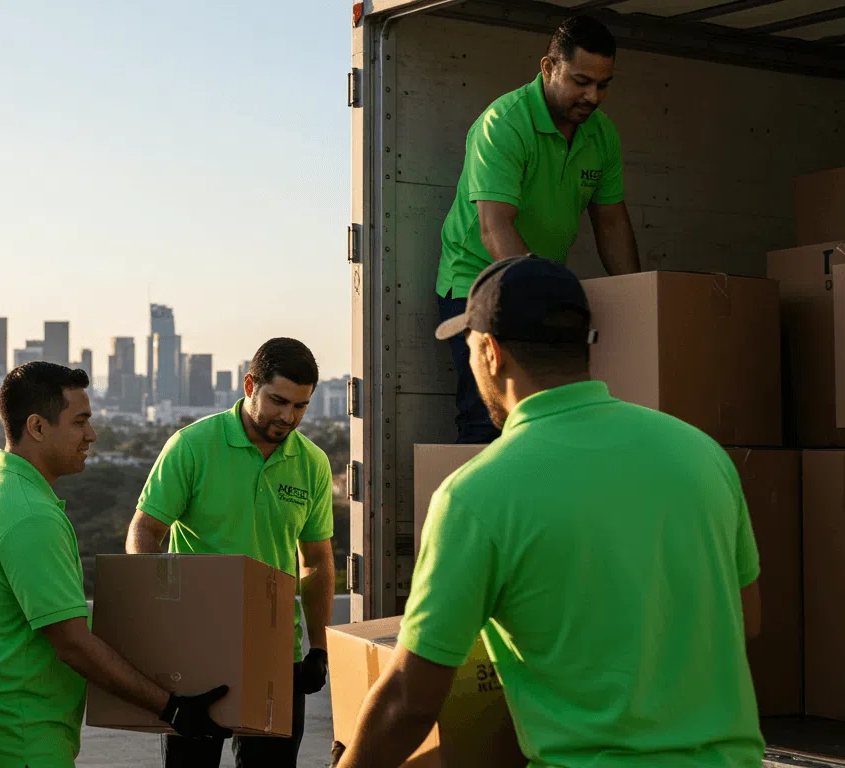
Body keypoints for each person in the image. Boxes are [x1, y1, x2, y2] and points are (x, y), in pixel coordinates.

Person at [334, 256, 764, 767]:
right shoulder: (700, 453)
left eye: (470, 348)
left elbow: (409, 701)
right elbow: (748, 620)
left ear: (490, 353)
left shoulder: (475, 495)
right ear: (584, 344)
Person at [0, 362, 231, 768]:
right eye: (80, 422)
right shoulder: (30, 516)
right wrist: (173, 709)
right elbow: (73, 644)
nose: (91, 435)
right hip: (17, 736)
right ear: (38, 427)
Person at [126, 337, 336, 768]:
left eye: (300, 406)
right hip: (196, 649)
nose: (287, 416)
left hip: (276, 653)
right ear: (248, 385)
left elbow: (315, 560)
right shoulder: (192, 445)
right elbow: (145, 530)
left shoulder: (311, 463)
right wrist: (155, 622)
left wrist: (319, 649)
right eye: (278, 401)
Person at [436, 14, 640, 443]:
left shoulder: (601, 135)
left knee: (546, 422)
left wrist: (638, 297)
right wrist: (544, 300)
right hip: (476, 285)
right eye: (581, 81)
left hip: (534, 286)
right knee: (487, 417)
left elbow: (612, 224)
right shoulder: (504, 124)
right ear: (548, 68)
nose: (592, 96)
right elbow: (494, 230)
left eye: (603, 85)